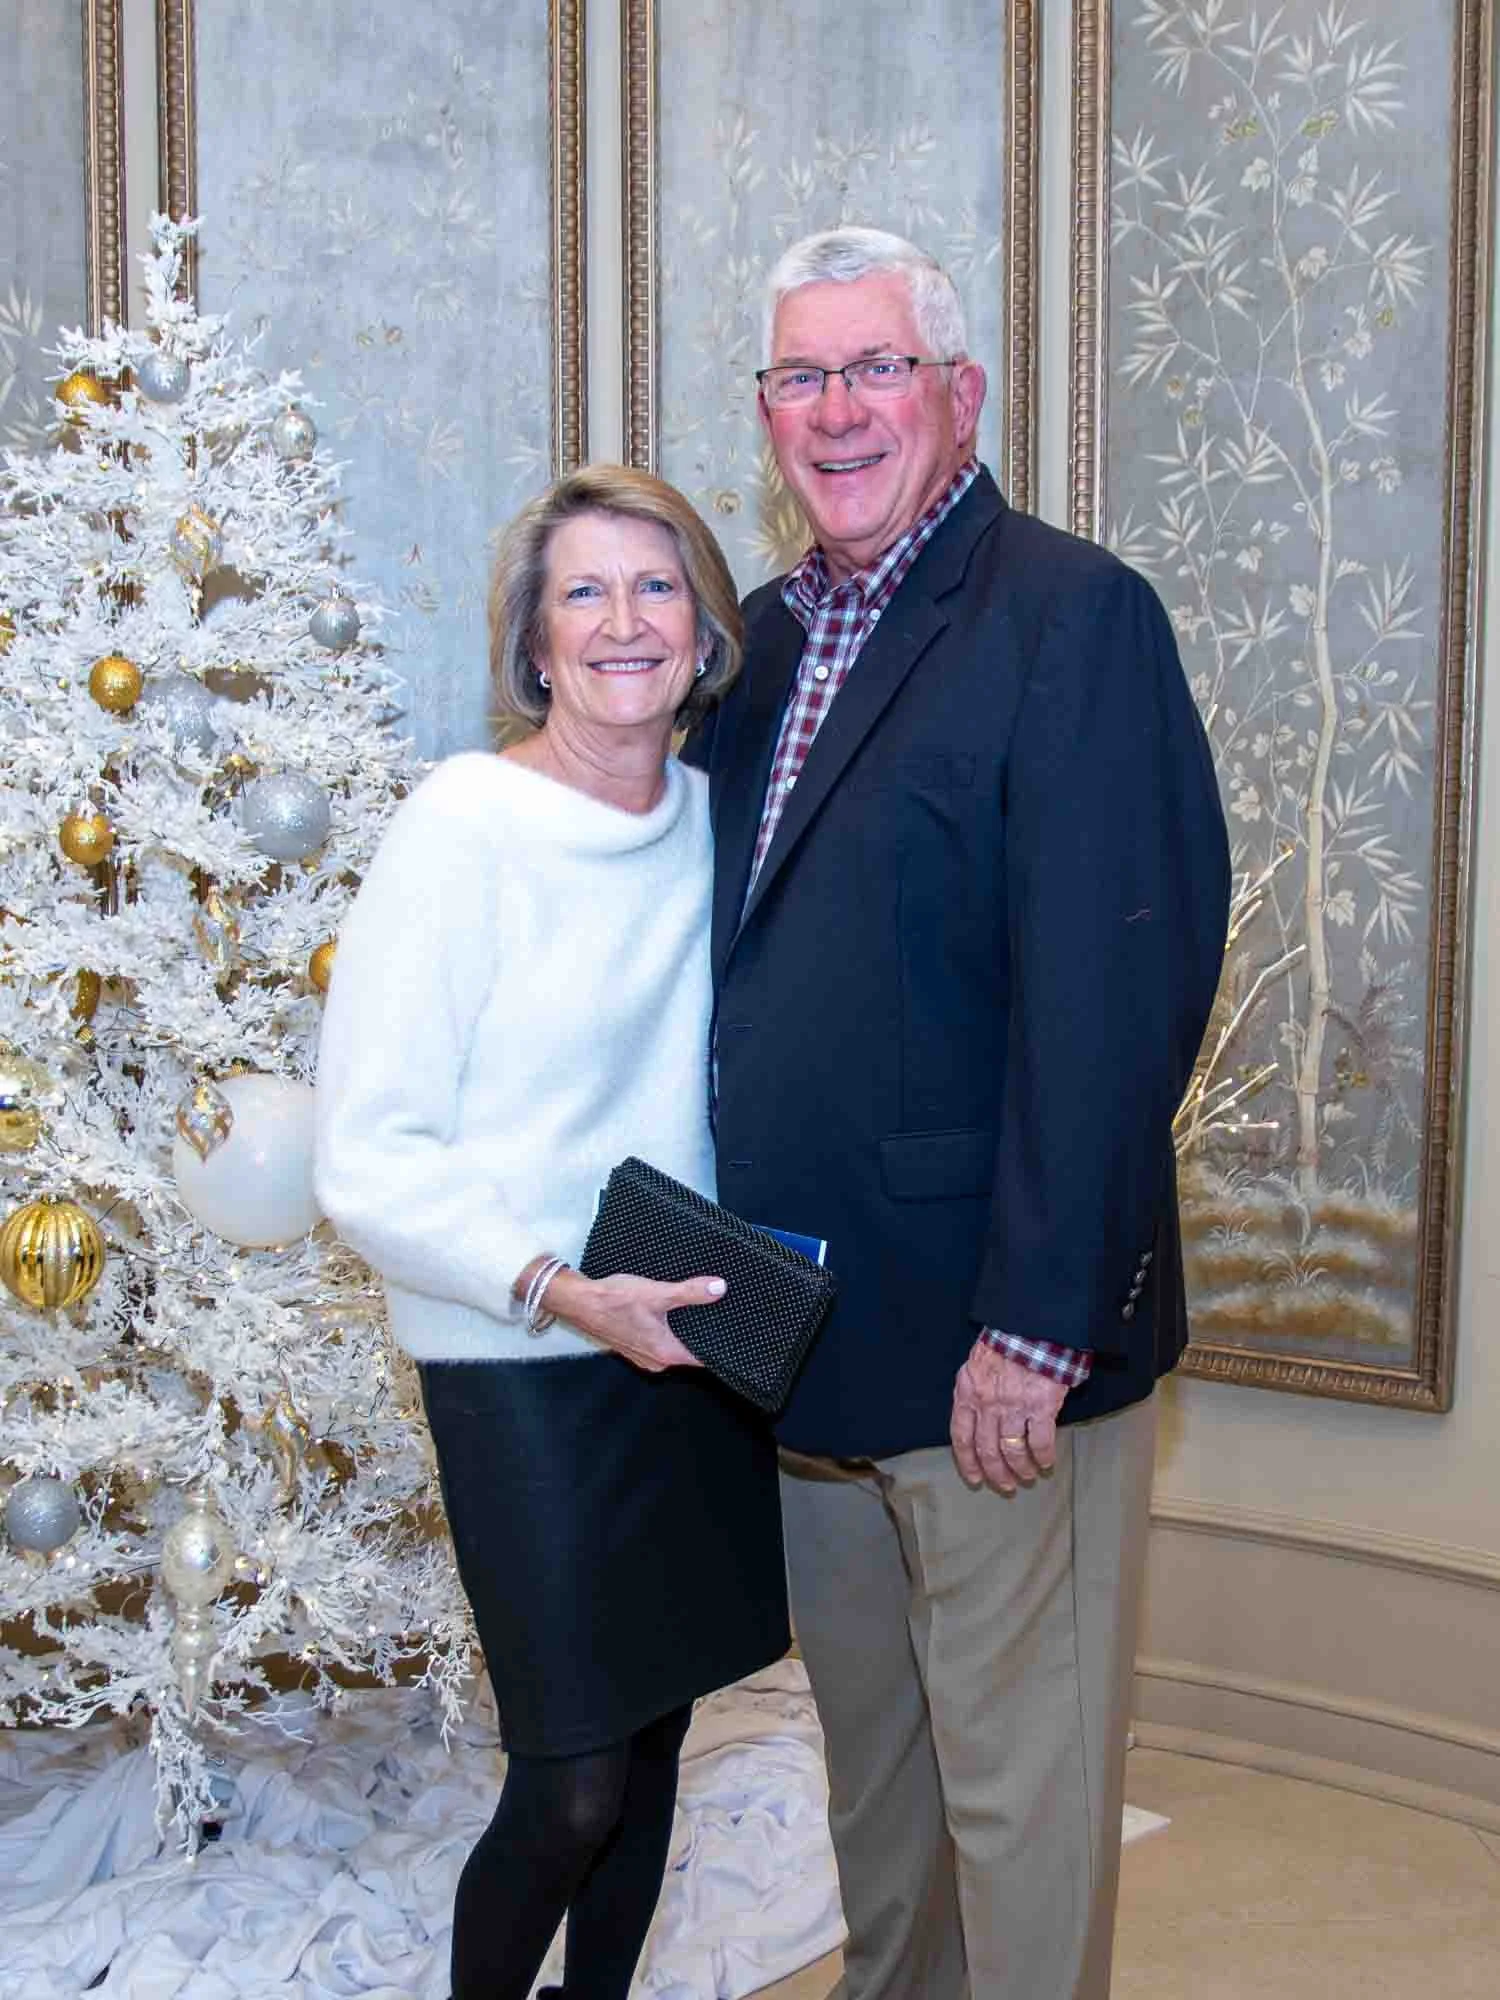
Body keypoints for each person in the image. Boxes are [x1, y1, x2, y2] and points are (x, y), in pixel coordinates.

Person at [684, 228, 1231, 1999]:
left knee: (1021, 1798)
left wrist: (1037, 1322)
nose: (835, 412)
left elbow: (1113, 999)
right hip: (810, 1339)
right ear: (765, 412)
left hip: (997, 1351)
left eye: (875, 369)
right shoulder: (751, 649)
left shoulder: (1073, 618)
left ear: (960, 392)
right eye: (799, 377)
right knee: (879, 1796)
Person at [314, 464, 789, 2000]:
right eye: (582, 592)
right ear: (532, 644)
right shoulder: (463, 825)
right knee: (571, 1776)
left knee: (656, 1743)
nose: (623, 623)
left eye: (657, 588)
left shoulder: (730, 825)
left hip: (691, 1334)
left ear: (705, 631)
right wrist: (561, 1291)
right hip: (522, 1353)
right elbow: (365, 1156)